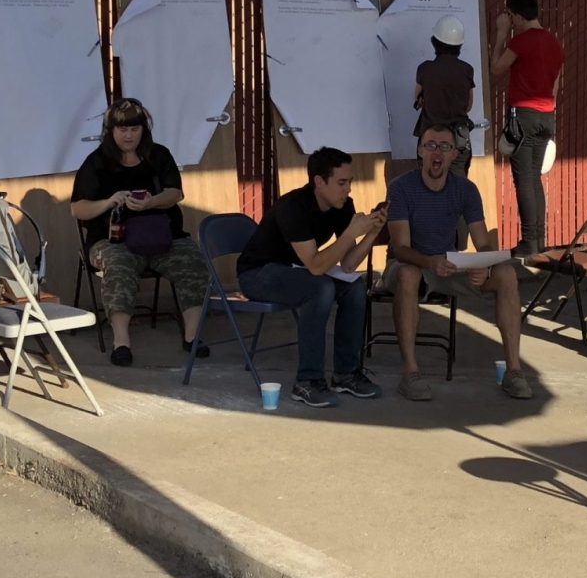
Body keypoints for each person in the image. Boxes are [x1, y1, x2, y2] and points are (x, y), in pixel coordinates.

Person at [383, 125, 532, 401]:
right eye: (430, 145)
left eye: (444, 147)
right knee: (408, 274)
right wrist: (430, 261)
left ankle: (514, 371)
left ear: (454, 154)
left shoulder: (465, 189)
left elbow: (483, 240)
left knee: (506, 273)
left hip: (449, 265)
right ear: (419, 151)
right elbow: (401, 249)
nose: (436, 152)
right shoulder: (401, 187)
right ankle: (410, 373)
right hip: (409, 264)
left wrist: (484, 263)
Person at [237, 147, 386, 408]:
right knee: (321, 287)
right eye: (341, 182)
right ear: (319, 181)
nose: (348, 189)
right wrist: (351, 234)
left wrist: (372, 232)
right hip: (258, 273)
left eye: (350, 182)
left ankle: (346, 374)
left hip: (296, 270)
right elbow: (317, 267)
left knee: (355, 288)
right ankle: (307, 381)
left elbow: (349, 264)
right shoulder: (293, 207)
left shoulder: (341, 205)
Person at [71, 98, 209, 367]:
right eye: (122, 130)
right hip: (111, 241)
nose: (129, 135)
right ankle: (121, 341)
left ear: (143, 130)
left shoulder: (158, 155)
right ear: (110, 131)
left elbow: (175, 193)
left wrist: (150, 202)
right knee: (118, 266)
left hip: (162, 236)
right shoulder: (97, 162)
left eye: (135, 129)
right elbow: (78, 209)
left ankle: (193, 335)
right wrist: (110, 201)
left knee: (192, 261)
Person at [491, 0, 564, 256]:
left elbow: (496, 68)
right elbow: (556, 85)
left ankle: (529, 241)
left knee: (523, 180)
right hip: (547, 116)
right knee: (535, 179)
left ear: (518, 16)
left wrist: (501, 34)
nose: (508, 20)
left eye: (509, 16)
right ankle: (539, 240)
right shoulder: (554, 43)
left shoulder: (520, 42)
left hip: (523, 116)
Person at [414, 14, 475, 178]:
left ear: (435, 42)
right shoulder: (467, 70)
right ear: (459, 45)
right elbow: (468, 105)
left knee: (430, 184)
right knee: (457, 186)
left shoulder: (425, 69)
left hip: (430, 138)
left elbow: (417, 100)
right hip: (458, 138)